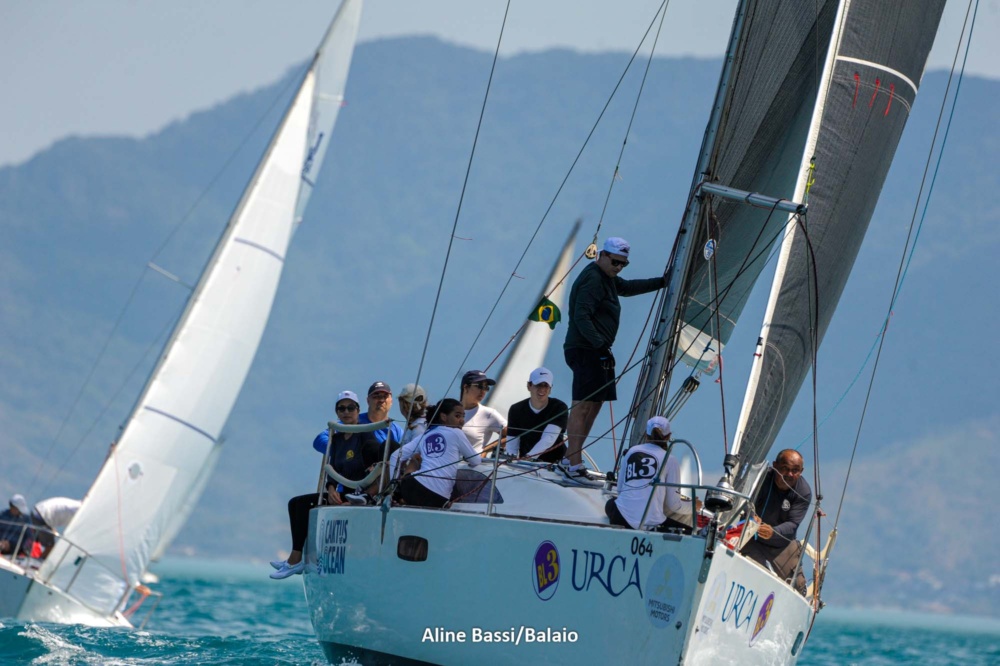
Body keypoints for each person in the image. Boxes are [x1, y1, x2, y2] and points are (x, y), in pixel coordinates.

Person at [562, 237, 665, 477]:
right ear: (602, 255)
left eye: (623, 264)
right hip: (586, 348)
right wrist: (600, 346)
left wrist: (663, 282)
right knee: (582, 404)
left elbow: (627, 288)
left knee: (596, 403)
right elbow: (581, 316)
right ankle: (573, 463)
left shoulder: (607, 278)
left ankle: (570, 458)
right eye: (615, 262)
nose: (618, 268)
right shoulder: (593, 279)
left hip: (598, 350)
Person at [272, 390, 381, 580]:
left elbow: (376, 466)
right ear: (337, 412)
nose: (346, 412)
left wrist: (365, 493)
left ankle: (294, 560)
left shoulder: (365, 434)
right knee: (295, 503)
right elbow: (333, 468)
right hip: (341, 492)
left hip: (359, 495)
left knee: (304, 505)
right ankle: (296, 558)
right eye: (342, 408)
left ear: (358, 410)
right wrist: (331, 489)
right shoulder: (336, 439)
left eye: (351, 408)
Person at [605, 417, 699, 533]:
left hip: (620, 518)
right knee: (692, 532)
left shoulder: (631, 451)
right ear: (668, 436)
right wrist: (694, 505)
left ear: (646, 435)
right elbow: (674, 505)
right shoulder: (670, 460)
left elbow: (620, 490)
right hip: (650, 524)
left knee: (610, 503)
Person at [389, 399, 482, 508]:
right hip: (438, 498)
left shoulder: (425, 435)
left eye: (463, 416)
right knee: (416, 459)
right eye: (457, 416)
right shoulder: (457, 433)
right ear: (443, 417)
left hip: (412, 488)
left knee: (415, 459)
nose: (462, 421)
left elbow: (395, 456)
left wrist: (393, 487)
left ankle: (396, 495)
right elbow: (476, 460)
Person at [740, 449, 812, 577]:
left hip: (781, 544)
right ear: (775, 466)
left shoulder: (803, 491)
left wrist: (773, 532)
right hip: (750, 537)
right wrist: (751, 517)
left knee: (797, 585)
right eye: (785, 468)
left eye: (795, 470)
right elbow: (743, 502)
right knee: (758, 574)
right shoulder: (761, 478)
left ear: (801, 471)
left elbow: (793, 524)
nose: (789, 474)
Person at [313, 381, 404, 459]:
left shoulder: (397, 431)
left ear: (391, 401)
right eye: (376, 396)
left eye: (385, 396)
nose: (381, 400)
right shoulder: (353, 421)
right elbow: (320, 440)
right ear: (368, 401)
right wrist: (341, 452)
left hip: (381, 472)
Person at [504, 367, 568, 463]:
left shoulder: (559, 407)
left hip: (554, 465)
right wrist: (510, 461)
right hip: (524, 465)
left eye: (546, 386)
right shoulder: (516, 409)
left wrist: (528, 458)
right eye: (538, 385)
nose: (542, 389)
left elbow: (549, 438)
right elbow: (512, 443)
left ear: (550, 389)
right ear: (529, 386)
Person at [460, 370, 506, 454]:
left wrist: (485, 451)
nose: (483, 391)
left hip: (470, 462)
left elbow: (512, 435)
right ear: (466, 387)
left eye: (486, 387)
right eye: (479, 386)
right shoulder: (447, 411)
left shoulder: (489, 413)